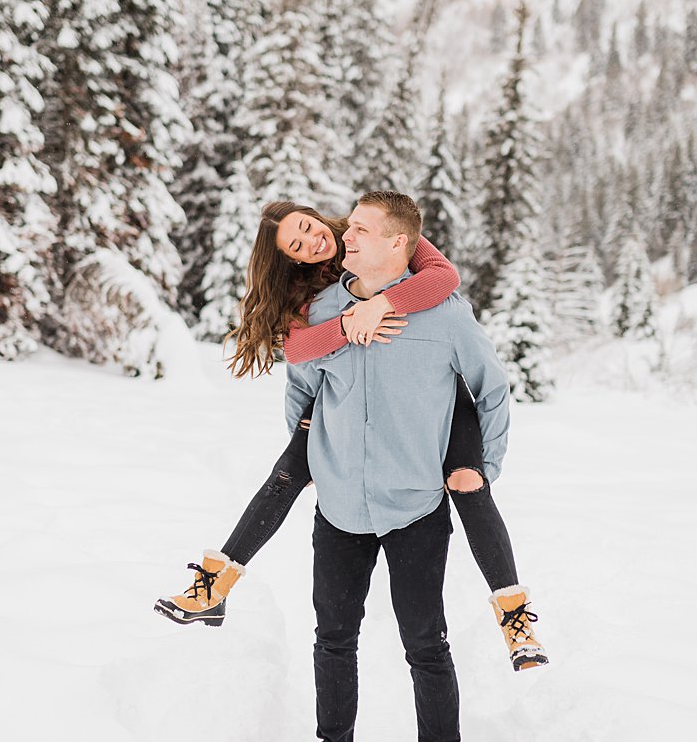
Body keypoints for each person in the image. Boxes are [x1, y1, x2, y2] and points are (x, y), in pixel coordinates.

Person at [152, 200, 547, 672]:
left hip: (438, 390)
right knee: (285, 475)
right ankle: (216, 583)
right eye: (296, 246)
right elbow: (299, 351)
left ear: (317, 215)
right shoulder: (310, 295)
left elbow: (444, 278)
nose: (312, 242)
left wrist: (381, 303)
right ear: (292, 260)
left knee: (469, 481)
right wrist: (345, 325)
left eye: (307, 227)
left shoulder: (371, 232)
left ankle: (513, 614)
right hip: (340, 394)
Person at [278, 191, 512, 742]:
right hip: (340, 508)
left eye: (360, 229)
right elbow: (301, 389)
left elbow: (493, 391)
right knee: (332, 636)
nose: (344, 236)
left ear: (398, 244)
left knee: (424, 642)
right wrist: (315, 455)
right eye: (348, 226)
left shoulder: (444, 314)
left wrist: (480, 471)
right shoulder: (323, 310)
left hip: (415, 507)